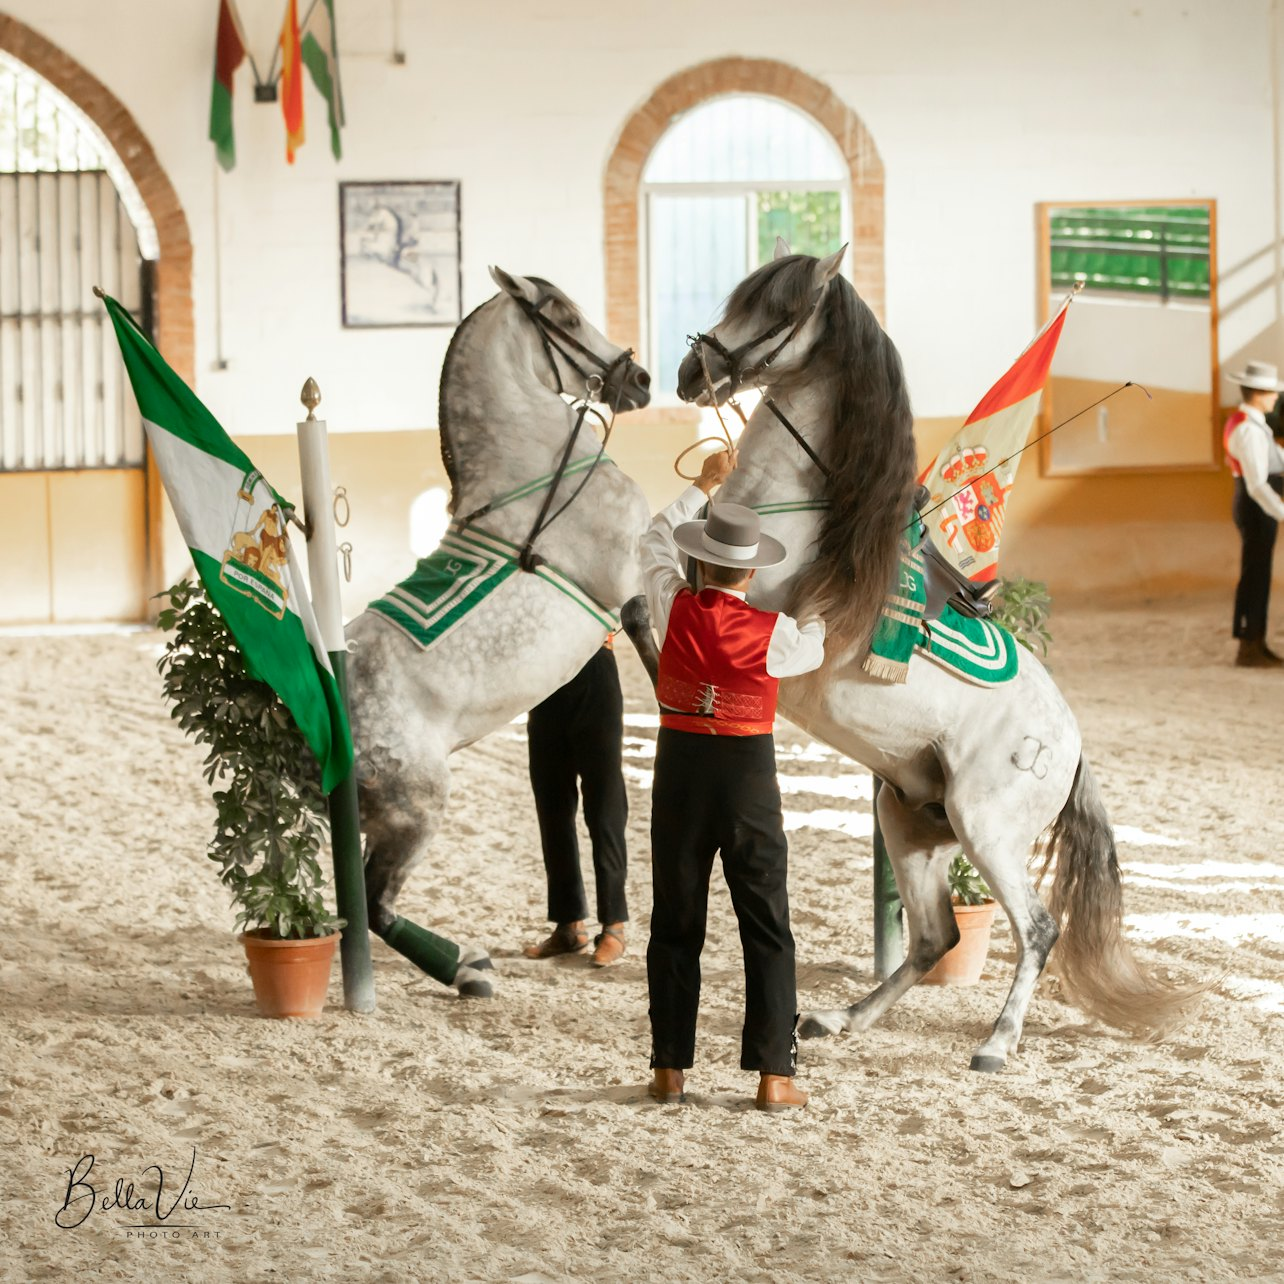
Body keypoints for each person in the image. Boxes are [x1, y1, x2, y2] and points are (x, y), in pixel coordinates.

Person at [641, 449, 826, 1113]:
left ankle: (669, 1069)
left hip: (680, 770)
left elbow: (654, 538)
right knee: (766, 923)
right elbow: (814, 646)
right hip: (749, 776)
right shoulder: (775, 633)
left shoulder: (672, 603)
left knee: (676, 919)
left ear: (700, 562)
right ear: (752, 570)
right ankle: (775, 1075)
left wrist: (703, 486)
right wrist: (816, 618)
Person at [522, 637, 630, 967]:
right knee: (552, 805)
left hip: (593, 663)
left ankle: (614, 927)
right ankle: (569, 926)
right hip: (544, 672)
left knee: (604, 808)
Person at [1224, 359, 1284, 667]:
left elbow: (1275, 460)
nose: (1276, 397)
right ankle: (1249, 643)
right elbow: (1258, 483)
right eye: (1272, 392)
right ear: (1259, 392)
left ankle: (1255, 641)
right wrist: (1281, 510)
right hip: (1257, 507)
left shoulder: (1253, 425)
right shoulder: (1248, 429)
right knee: (1255, 574)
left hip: (1259, 507)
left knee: (1258, 573)